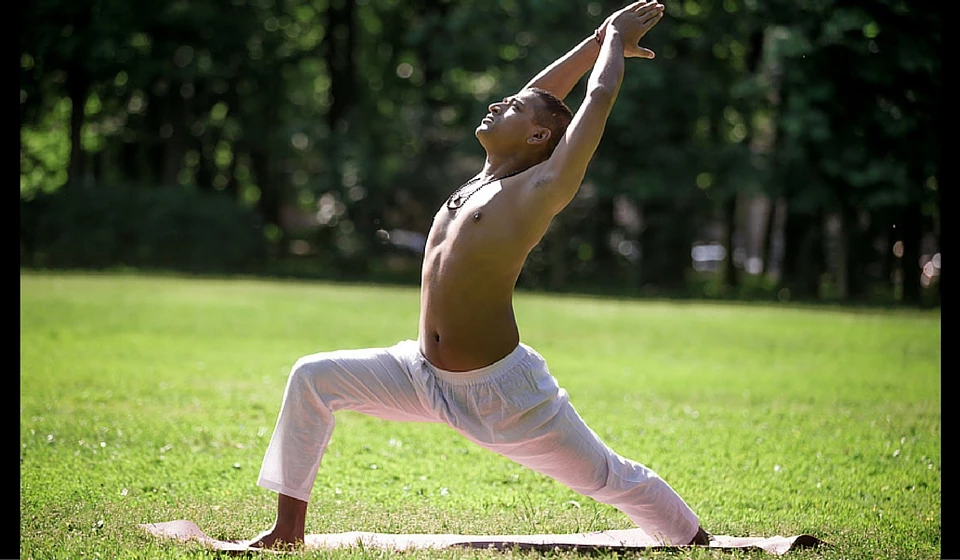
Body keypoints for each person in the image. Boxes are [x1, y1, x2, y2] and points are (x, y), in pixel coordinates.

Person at [248, 1, 711, 549]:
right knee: (312, 377)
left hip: (501, 393)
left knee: (610, 478)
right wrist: (592, 42)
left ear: (539, 139)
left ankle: (698, 541)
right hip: (420, 372)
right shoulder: (482, 180)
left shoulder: (539, 190)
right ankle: (287, 532)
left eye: (514, 108)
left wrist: (614, 41)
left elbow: (598, 97)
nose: (498, 103)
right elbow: (544, 96)